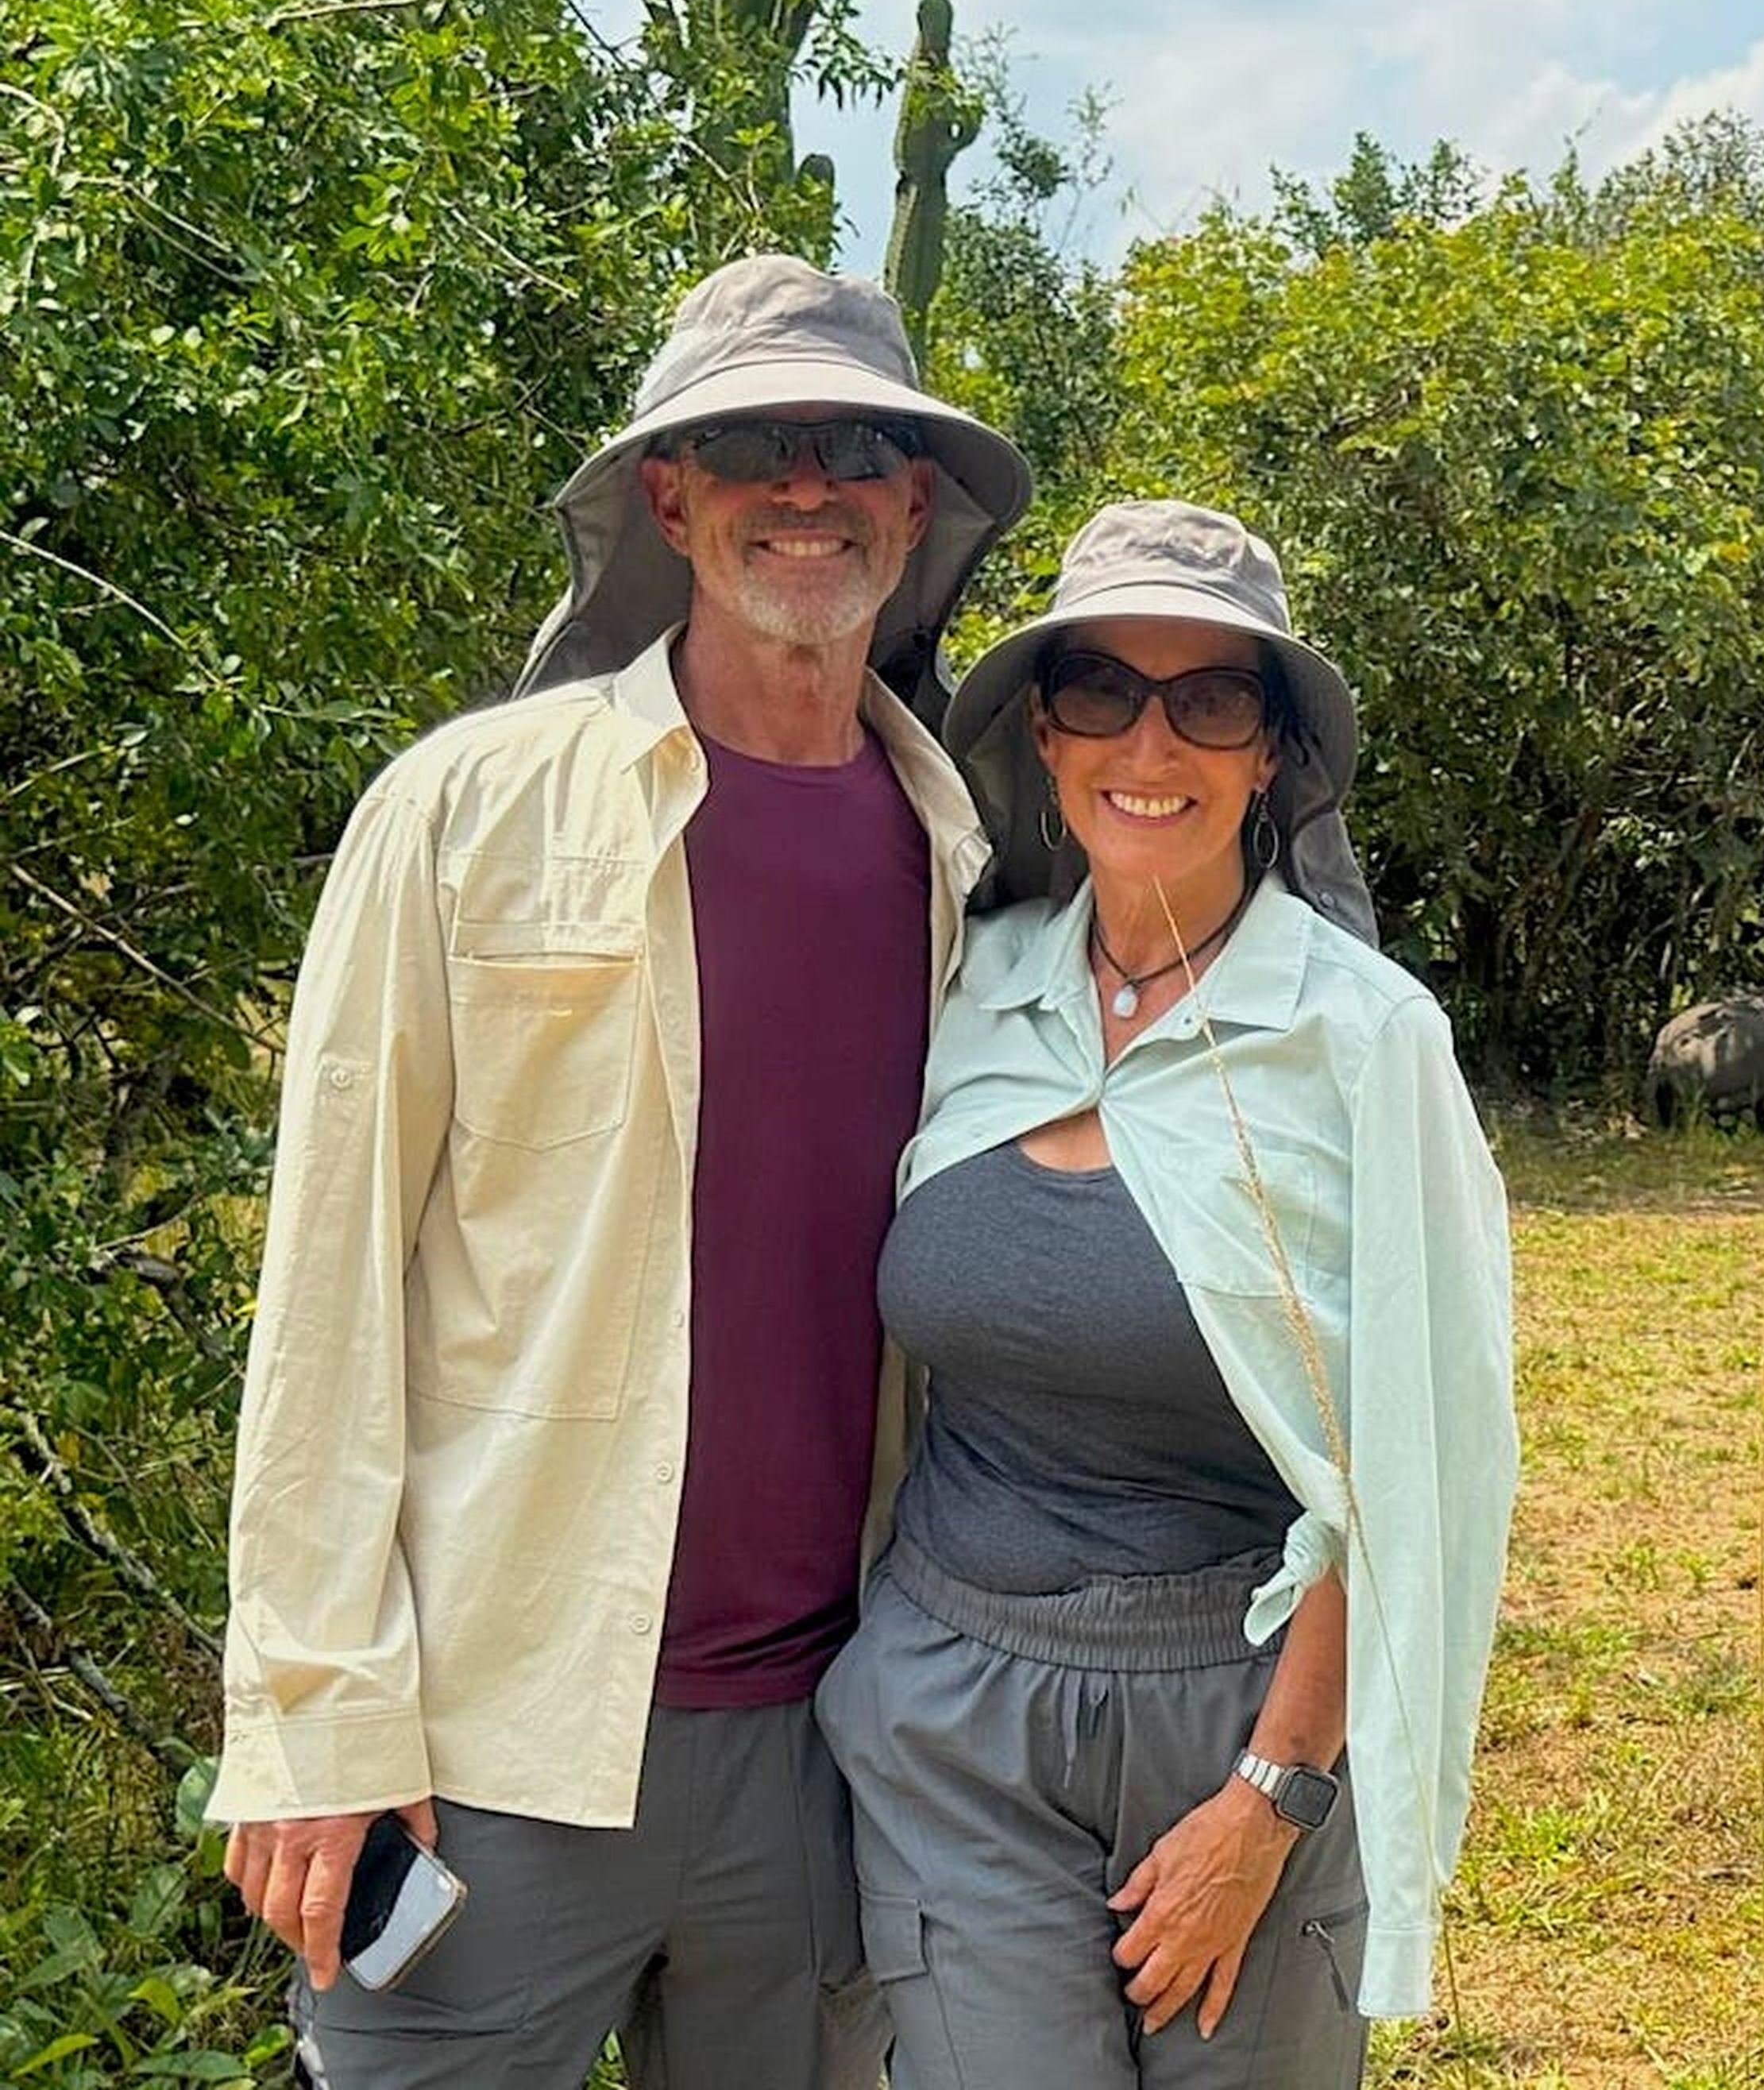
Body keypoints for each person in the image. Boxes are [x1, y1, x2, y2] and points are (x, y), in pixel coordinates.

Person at [208, 253, 1033, 2089]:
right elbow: (328, 1281)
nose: (802, 483)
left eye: (851, 445)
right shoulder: (466, 809)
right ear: (669, 493)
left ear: (912, 505)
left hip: (836, 1740)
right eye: (748, 441)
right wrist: (312, 1715)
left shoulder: (976, 863)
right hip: (494, 1741)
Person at [813, 499, 1517, 2087]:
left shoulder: (1363, 1040)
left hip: (1237, 1717)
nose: (1154, 739)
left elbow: (1423, 1459)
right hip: (948, 1719)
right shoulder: (968, 988)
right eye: (1105, 692)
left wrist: (1275, 1797)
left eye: (1212, 701)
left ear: (1269, 754)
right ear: (1044, 735)